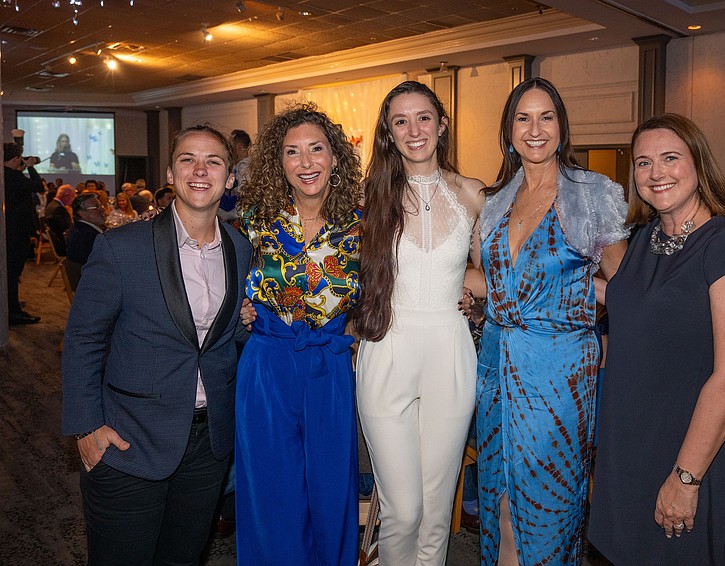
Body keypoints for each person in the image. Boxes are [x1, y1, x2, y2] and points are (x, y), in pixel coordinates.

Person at [588, 113, 725, 564]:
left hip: (690, 444)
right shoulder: (646, 238)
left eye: (670, 158)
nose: (657, 173)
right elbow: (630, 303)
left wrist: (685, 477)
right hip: (631, 438)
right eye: (643, 162)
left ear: (698, 164)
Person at [61, 124, 252, 565]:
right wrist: (87, 427)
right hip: (130, 441)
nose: (200, 170)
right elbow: (83, 339)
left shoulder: (241, 250)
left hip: (207, 446)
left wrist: (251, 320)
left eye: (214, 161)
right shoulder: (122, 247)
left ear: (230, 178)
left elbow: (223, 339)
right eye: (188, 159)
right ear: (171, 171)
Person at [463, 77, 628, 565]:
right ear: (508, 130)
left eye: (546, 117)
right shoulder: (496, 200)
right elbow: (495, 282)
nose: (535, 129)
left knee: (548, 505)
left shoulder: (592, 193)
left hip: (557, 374)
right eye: (523, 117)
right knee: (501, 502)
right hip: (496, 365)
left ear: (562, 126)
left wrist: (583, 294)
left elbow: (624, 289)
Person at [353, 80, 484, 565]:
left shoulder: (472, 193)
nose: (414, 129)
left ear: (442, 124)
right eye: (400, 121)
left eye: (424, 117)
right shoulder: (369, 197)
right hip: (388, 347)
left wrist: (473, 296)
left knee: (434, 510)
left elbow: (493, 274)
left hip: (450, 353)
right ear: (388, 132)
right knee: (403, 509)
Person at [234, 102, 362, 565]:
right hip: (267, 367)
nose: (306, 163)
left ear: (335, 156)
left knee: (331, 490)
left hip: (329, 367)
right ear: (277, 162)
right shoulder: (253, 221)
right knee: (272, 491)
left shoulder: (363, 223)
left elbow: (388, 293)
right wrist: (241, 312)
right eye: (292, 152)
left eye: (316, 149)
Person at [3, 142, 42, 325]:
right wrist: (31, 167)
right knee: (13, 272)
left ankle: (11, 308)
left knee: (10, 272)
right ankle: (13, 312)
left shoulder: (8, 176)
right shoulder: (13, 176)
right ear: (17, 158)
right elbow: (38, 186)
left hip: (9, 229)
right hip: (16, 231)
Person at [219, 129, 251, 222]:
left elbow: (246, 198)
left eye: (230, 145)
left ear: (239, 147)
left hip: (241, 219)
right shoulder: (238, 166)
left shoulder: (245, 167)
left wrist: (227, 215)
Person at [44, 184, 75, 256]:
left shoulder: (51, 205)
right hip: (62, 245)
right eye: (73, 197)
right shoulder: (58, 209)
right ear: (67, 195)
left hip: (58, 242)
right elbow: (67, 226)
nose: (72, 200)